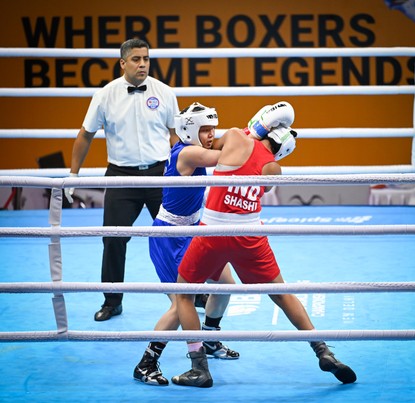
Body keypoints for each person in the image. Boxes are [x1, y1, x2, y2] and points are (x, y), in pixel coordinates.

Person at [171, 108, 357, 388]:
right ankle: (323, 351)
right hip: (250, 235)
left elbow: (213, 148)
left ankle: (199, 367)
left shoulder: (235, 136)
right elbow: (264, 184)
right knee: (283, 294)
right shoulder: (275, 169)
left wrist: (252, 129)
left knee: (183, 294)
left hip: (213, 230)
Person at [65, 38, 180, 321]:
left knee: (177, 236)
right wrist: (73, 174)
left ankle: (192, 292)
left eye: (146, 59)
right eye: (136, 59)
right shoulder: (105, 95)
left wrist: (180, 173)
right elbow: (85, 134)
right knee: (113, 240)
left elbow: (176, 136)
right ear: (123, 63)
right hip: (121, 176)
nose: (142, 64)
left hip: (159, 174)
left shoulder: (165, 92)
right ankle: (112, 300)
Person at [133, 102, 240, 386]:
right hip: (170, 237)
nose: (210, 134)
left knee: (226, 284)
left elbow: (228, 141)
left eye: (212, 129)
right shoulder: (188, 152)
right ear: (190, 131)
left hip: (194, 231)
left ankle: (211, 339)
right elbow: (228, 155)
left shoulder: (195, 146)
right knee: (182, 305)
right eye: (204, 129)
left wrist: (242, 133)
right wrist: (257, 132)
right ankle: (146, 363)